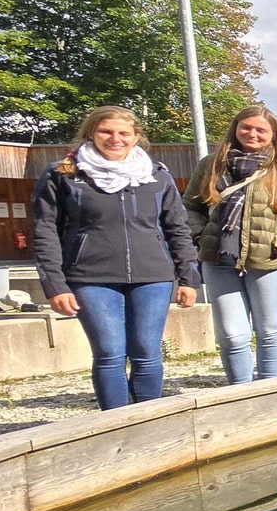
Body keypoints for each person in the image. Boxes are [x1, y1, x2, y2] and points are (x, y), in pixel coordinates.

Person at [29, 106, 200, 410]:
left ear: (136, 137)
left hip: (152, 276)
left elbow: (177, 228)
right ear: (91, 133)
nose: (115, 139)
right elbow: (44, 231)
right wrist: (55, 285)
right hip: (90, 278)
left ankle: (149, 421)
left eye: (123, 133)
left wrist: (188, 277)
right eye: (106, 131)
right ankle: (115, 426)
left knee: (147, 352)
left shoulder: (156, 175)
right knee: (109, 352)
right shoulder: (64, 174)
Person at [182, 105, 277, 385]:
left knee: (269, 331)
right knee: (232, 334)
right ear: (235, 128)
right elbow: (189, 207)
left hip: (270, 264)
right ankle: (239, 393)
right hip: (219, 260)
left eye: (261, 130)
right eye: (246, 127)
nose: (252, 134)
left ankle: (268, 392)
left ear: (273, 136)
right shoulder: (211, 166)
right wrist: (199, 235)